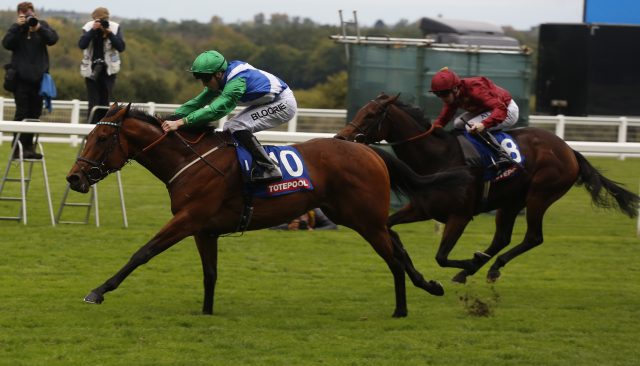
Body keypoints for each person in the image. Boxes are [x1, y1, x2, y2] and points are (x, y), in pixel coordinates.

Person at [162, 50, 297, 184]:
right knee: (228, 127)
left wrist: (182, 122)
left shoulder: (236, 83)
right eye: (200, 79)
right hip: (269, 101)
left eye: (206, 79)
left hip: (283, 103)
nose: (204, 84)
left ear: (219, 74)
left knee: (235, 126)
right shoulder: (221, 78)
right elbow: (198, 102)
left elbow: (214, 111)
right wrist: (173, 117)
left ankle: (269, 168)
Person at [2, 1, 58, 159]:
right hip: (20, 80)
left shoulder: (42, 27)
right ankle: (17, 149)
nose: (29, 18)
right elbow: (6, 43)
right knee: (22, 113)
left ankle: (29, 148)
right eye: (26, 15)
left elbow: (53, 39)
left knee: (35, 114)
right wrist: (17, 27)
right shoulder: (17, 30)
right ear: (19, 15)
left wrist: (38, 28)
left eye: (32, 15)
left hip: (39, 81)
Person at [430, 67, 519, 164]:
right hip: (488, 110)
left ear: (455, 89)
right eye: (438, 94)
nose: (442, 98)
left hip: (507, 110)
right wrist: (432, 129)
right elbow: (444, 118)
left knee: (471, 126)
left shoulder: (475, 89)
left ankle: (502, 154)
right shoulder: (453, 95)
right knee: (458, 123)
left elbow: (501, 108)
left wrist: (484, 124)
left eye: (444, 94)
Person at [78, 7, 125, 123]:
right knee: (93, 103)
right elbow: (82, 45)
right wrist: (93, 30)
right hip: (91, 70)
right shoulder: (88, 27)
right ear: (94, 19)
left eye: (104, 20)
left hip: (109, 71)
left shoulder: (114, 27)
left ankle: (104, 130)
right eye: (99, 20)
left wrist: (109, 34)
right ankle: (91, 130)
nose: (102, 23)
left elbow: (121, 47)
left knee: (105, 102)